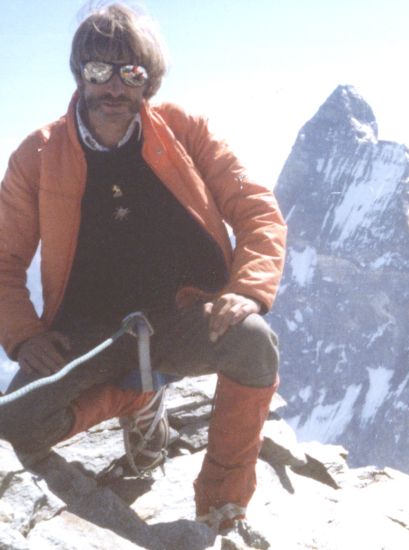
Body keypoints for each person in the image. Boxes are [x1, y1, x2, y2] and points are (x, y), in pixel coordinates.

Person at [0, 2, 286, 531]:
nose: (113, 86)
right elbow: (4, 259)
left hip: (180, 315)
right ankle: (143, 395)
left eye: (129, 72)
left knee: (253, 340)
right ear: (79, 75)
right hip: (85, 332)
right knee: (16, 419)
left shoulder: (186, 131)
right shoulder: (37, 154)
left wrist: (247, 288)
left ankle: (222, 501)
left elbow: (257, 211)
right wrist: (22, 336)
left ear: (148, 81)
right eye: (97, 70)